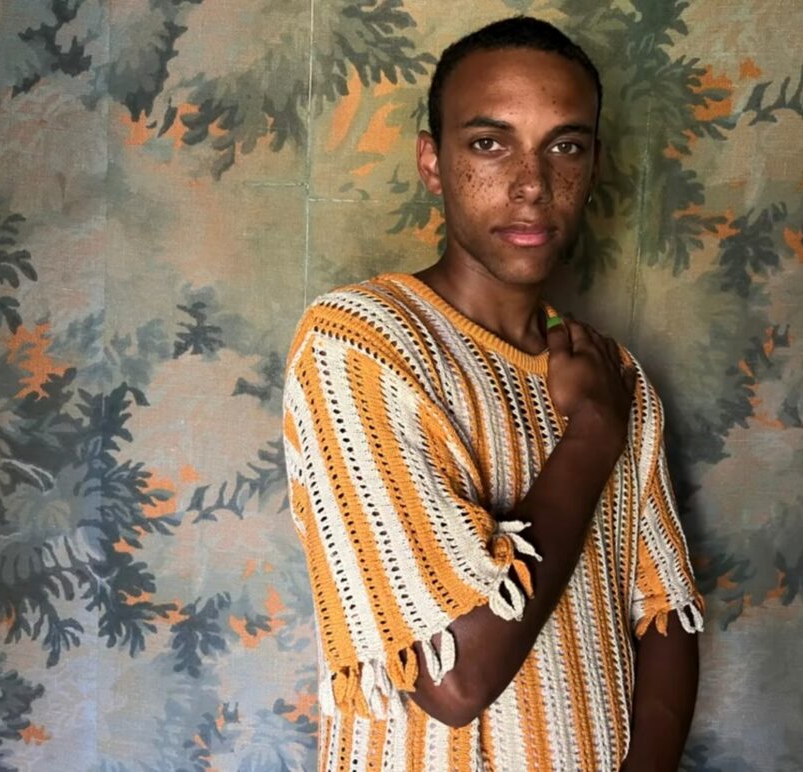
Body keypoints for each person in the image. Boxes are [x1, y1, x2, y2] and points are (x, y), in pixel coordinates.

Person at [282, 16, 704, 771]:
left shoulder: (614, 373)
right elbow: (454, 681)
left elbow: (665, 616)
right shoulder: (361, 342)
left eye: (565, 146)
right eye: (489, 143)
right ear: (432, 162)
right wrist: (591, 435)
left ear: (594, 166)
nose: (532, 184)